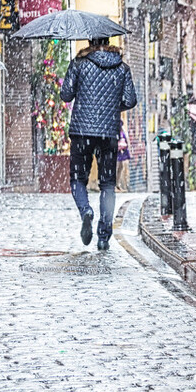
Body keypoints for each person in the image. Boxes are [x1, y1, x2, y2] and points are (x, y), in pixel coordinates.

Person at [60, 37, 138, 250]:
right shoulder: (121, 67)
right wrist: (111, 107)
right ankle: (103, 235)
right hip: (108, 133)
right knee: (107, 184)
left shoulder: (79, 63)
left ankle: (86, 210)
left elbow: (65, 95)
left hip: (81, 131)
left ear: (89, 40)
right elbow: (130, 100)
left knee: (77, 178)